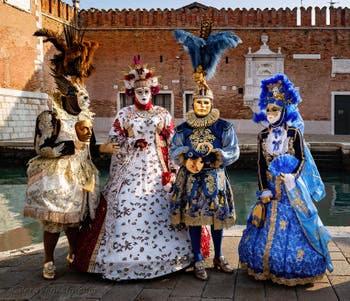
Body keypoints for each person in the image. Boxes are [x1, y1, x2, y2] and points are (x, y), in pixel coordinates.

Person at [73, 56, 193, 281]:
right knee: (124, 203)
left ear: (152, 91)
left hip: (156, 168)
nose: (143, 95)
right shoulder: (124, 114)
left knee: (162, 204)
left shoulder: (162, 115)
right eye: (139, 92)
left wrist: (173, 170)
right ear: (132, 93)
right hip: (130, 169)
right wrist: (131, 142)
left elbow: (172, 144)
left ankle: (170, 258)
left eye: (146, 91)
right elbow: (113, 141)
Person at [23, 26, 117, 280]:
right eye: (78, 96)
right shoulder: (50, 115)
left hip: (82, 175)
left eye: (84, 96)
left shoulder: (86, 116)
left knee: (77, 221)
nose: (83, 100)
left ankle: (75, 254)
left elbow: (90, 148)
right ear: (67, 95)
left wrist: (104, 148)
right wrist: (68, 147)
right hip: (58, 176)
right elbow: (40, 147)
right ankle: (48, 260)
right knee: (55, 221)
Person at [238, 73, 333, 286]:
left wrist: (291, 176)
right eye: (268, 110)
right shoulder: (262, 136)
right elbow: (261, 165)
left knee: (300, 224)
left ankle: (294, 269)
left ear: (284, 111)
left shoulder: (294, 134)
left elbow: (300, 159)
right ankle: (265, 266)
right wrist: (264, 189)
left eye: (275, 110)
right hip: (271, 190)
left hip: (291, 188)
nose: (271, 114)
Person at [170, 86, 240, 281]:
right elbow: (173, 150)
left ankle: (218, 256)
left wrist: (218, 155)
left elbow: (233, 150)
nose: (202, 106)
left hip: (214, 179)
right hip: (190, 180)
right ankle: (198, 259)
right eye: (199, 102)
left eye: (206, 103)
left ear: (212, 104)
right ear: (193, 104)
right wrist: (185, 156)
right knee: (194, 219)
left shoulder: (224, 127)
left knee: (217, 218)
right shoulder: (183, 128)